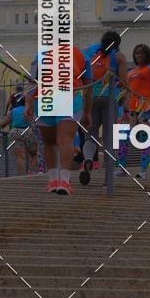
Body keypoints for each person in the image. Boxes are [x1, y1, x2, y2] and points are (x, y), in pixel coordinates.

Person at [24, 45, 92, 195]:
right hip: (70, 96)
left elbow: (32, 80)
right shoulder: (81, 53)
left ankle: (53, 181)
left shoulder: (41, 52)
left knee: (49, 142)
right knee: (65, 140)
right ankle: (65, 182)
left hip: (45, 97)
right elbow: (88, 85)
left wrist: (27, 103)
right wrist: (87, 112)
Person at [81, 31, 128, 185]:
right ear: (117, 44)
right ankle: (108, 177)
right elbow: (123, 84)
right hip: (110, 98)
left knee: (90, 136)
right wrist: (125, 107)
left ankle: (88, 159)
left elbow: (83, 74)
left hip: (90, 97)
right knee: (109, 137)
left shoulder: (89, 50)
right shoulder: (119, 57)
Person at [126, 44, 150, 180]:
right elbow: (127, 92)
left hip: (146, 108)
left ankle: (143, 170)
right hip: (131, 109)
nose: (139, 55)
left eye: (142, 53)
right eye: (137, 53)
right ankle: (122, 168)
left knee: (144, 139)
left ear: (147, 55)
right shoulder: (130, 72)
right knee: (123, 138)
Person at [0, 82, 39, 175]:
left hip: (15, 132)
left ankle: (21, 176)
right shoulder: (28, 110)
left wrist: (4, 117)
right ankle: (31, 171)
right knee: (34, 154)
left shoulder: (13, 111)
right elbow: (34, 121)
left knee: (20, 157)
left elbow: (3, 124)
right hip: (27, 131)